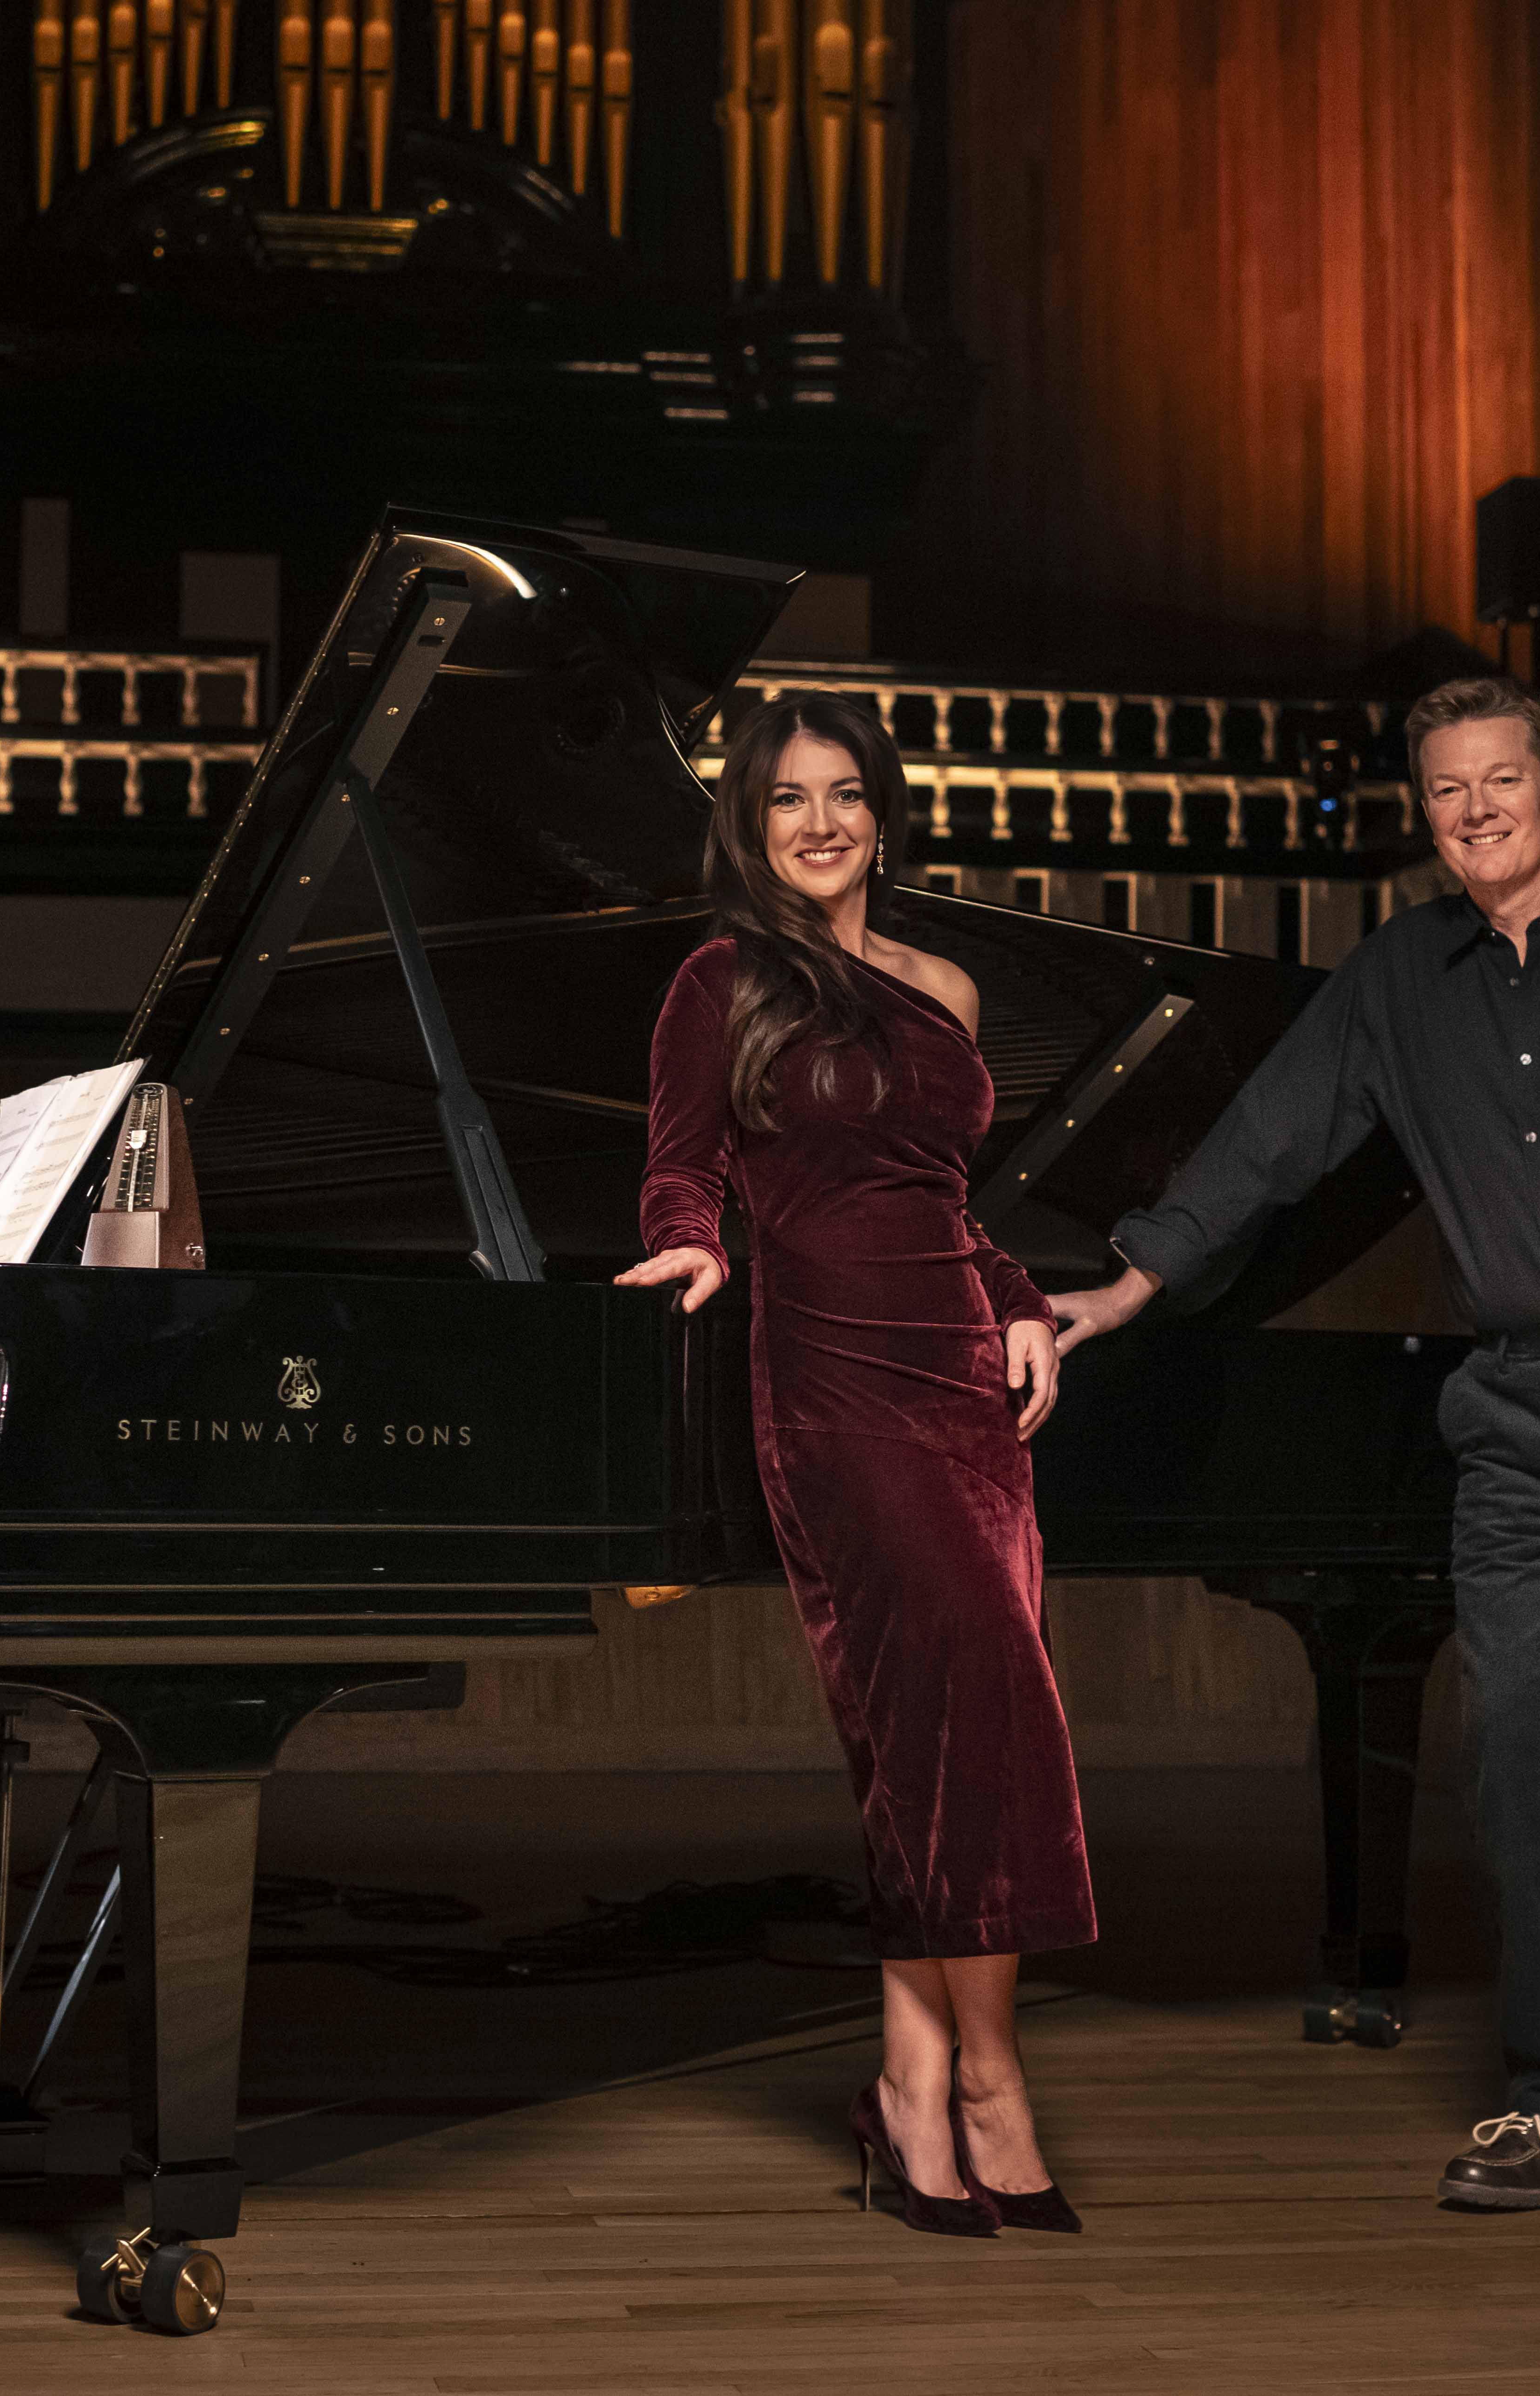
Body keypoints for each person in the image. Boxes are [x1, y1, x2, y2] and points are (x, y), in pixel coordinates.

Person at [1053, 676, 1540, 2212]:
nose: (1474, 809)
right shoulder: (1389, 983)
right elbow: (1265, 1148)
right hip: (1520, 1415)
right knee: (1519, 1749)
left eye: (1499, 779)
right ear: (1421, 815)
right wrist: (1129, 1284)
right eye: (1442, 790)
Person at [619, 692, 1091, 2239]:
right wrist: (687, 1249)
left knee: (968, 1734)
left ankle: (916, 2081)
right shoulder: (723, 980)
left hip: (967, 1383)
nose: (817, 823)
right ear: (748, 829)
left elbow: (946, 1200)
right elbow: (683, 1163)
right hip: (829, 1387)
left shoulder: (945, 984)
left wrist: (1023, 1309)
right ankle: (989, 2084)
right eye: (783, 803)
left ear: (884, 814)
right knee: (949, 1711)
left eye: (843, 795)